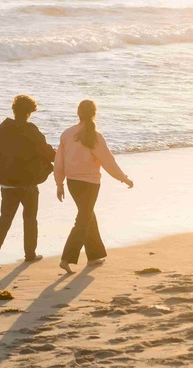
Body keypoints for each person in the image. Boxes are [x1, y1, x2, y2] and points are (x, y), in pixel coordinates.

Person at [55, 100, 134, 274]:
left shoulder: (67, 134)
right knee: (83, 218)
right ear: (94, 113)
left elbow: (58, 162)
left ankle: (94, 255)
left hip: (72, 183)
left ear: (78, 113)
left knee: (88, 214)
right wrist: (124, 178)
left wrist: (59, 184)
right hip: (90, 184)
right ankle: (66, 258)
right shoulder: (95, 136)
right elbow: (108, 162)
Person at [0, 95, 56, 269]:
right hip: (27, 183)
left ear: (14, 110)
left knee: (6, 217)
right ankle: (30, 254)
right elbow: (48, 153)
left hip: (7, 182)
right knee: (30, 217)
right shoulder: (31, 131)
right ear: (30, 112)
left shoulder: (1, 131)